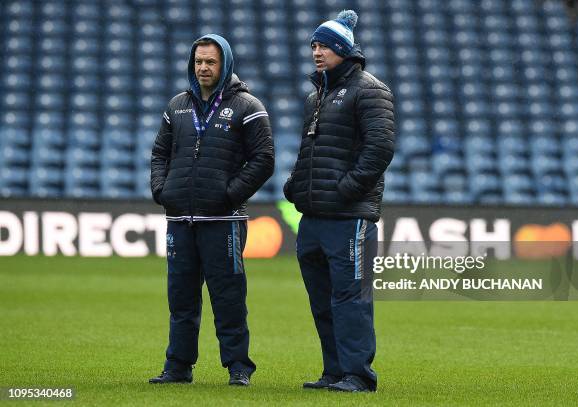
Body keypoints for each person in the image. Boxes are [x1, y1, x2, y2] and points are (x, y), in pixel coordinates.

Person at [149, 34, 274, 386]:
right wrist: (162, 191)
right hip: (180, 220)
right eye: (198, 62)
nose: (203, 67)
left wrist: (230, 195)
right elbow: (160, 153)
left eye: (210, 62)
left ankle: (238, 368)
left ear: (225, 65)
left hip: (224, 221)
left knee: (228, 298)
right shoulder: (177, 105)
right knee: (181, 299)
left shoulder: (249, 106)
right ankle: (177, 367)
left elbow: (264, 160)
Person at [283, 10, 395, 393]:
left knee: (350, 298)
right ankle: (334, 371)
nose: (317, 52)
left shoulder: (370, 89)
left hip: (349, 216)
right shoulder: (317, 94)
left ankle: (358, 375)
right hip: (313, 217)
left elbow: (380, 148)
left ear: (344, 50)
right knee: (322, 301)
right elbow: (309, 150)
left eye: (325, 45)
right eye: (314, 45)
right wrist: (294, 185)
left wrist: (346, 190)